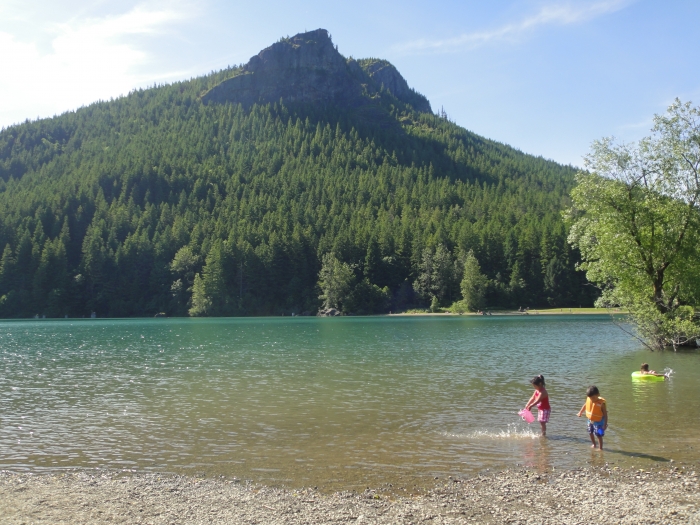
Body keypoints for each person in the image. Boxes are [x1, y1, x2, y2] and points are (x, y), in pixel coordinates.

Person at [577, 385, 608, 450]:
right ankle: (594, 444)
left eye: (593, 398)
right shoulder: (589, 399)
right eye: (590, 398)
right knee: (590, 432)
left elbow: (605, 414)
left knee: (599, 435)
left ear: (598, 395)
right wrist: (580, 412)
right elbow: (585, 405)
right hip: (590, 420)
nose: (592, 400)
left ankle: (600, 448)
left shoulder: (601, 403)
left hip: (599, 422)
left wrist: (605, 424)